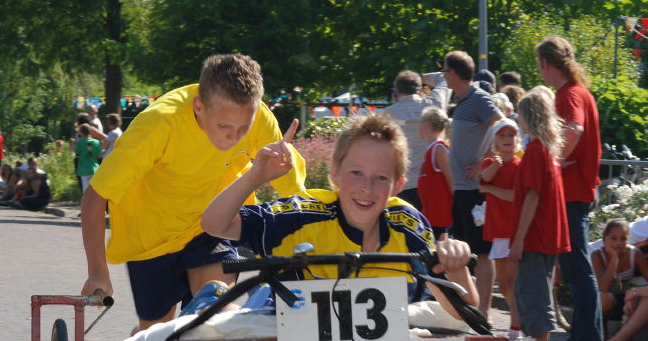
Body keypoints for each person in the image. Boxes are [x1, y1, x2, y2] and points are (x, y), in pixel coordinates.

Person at [81, 53, 306, 341]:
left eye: (244, 129)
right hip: (151, 239)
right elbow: (94, 197)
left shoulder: (258, 119)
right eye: (226, 128)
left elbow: (298, 199)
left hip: (212, 229)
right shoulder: (159, 124)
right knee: (154, 338)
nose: (236, 138)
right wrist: (97, 271)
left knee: (221, 321)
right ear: (199, 109)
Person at [201, 112, 478, 321]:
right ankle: (213, 299)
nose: (366, 188)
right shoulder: (303, 214)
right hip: (275, 312)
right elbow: (214, 224)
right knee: (226, 319)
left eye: (380, 178)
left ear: (397, 185)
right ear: (334, 174)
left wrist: (455, 266)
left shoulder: (408, 224)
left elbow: (468, 311)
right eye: (355, 173)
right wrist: (255, 177)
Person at [537, 36, 604, 341]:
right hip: (577, 190)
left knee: (578, 270)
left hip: (574, 192)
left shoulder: (570, 94)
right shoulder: (577, 91)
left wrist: (553, 161)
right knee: (576, 270)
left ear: (546, 65)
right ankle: (580, 339)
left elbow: (574, 128)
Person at [509, 88, 569, 341]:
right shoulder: (547, 148)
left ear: (528, 116)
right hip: (548, 231)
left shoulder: (535, 150)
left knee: (534, 289)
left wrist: (519, 238)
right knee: (538, 287)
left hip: (536, 233)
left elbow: (532, 195)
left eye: (519, 114)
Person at [445, 50, 502, 319]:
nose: (443, 75)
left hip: (473, 189)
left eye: (445, 71)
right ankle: (472, 307)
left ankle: (484, 310)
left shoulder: (479, 98)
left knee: (482, 252)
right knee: (467, 252)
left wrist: (486, 163)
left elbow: (503, 125)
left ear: (454, 73)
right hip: (461, 188)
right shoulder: (464, 99)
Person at [478, 119, 523, 341]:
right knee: (505, 286)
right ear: (495, 141)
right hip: (498, 232)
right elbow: (483, 179)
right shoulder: (490, 162)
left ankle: (516, 329)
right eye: (502, 136)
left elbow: (514, 196)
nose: (507, 139)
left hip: (513, 232)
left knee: (511, 283)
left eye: (511, 135)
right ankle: (520, 320)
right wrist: (495, 165)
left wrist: (490, 190)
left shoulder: (520, 165)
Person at [384, 69, 435, 209]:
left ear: (397, 92)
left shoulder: (387, 113)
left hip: (401, 183)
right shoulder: (431, 105)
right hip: (428, 182)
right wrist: (423, 77)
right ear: (419, 90)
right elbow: (443, 78)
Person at [591, 219, 648, 325]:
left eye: (623, 239)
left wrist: (636, 295)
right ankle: (602, 331)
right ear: (605, 238)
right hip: (601, 305)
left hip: (626, 300)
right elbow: (603, 287)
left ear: (628, 239)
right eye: (613, 238)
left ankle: (625, 335)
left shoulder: (635, 253)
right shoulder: (597, 255)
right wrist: (614, 258)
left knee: (644, 297)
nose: (619, 243)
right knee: (606, 298)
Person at [416, 108, 453, 236]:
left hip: (440, 218)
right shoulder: (431, 149)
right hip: (431, 216)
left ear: (426, 126)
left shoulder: (439, 149)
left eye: (419, 124)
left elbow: (451, 179)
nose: (418, 128)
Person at [75, 124, 102, 194]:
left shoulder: (80, 142)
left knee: (86, 191)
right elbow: (99, 156)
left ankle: (87, 205)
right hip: (95, 168)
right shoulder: (97, 142)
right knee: (95, 191)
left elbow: (76, 152)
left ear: (81, 132)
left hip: (84, 169)